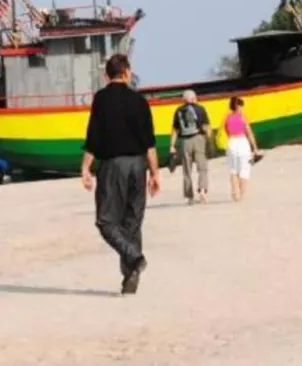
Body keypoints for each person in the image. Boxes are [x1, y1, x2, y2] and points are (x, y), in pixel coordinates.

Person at [80, 52, 160, 294]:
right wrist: (155, 173)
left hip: (114, 165)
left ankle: (135, 259)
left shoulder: (101, 99)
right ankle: (130, 279)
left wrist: (85, 167)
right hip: (139, 165)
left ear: (107, 74)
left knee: (105, 221)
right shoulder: (140, 101)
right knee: (132, 223)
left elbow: (94, 136)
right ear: (127, 71)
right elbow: (149, 143)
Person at [169, 89, 212, 204]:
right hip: (198, 139)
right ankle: (202, 190)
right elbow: (206, 126)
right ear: (193, 98)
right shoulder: (200, 109)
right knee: (202, 167)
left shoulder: (178, 110)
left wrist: (172, 145)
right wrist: (209, 140)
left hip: (184, 141)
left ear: (184, 99)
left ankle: (190, 197)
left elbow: (175, 130)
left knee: (187, 170)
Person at [223, 96, 260, 202]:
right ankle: (242, 194)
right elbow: (249, 133)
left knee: (233, 170)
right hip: (242, 142)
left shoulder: (227, 118)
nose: (242, 108)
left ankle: (235, 193)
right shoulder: (243, 117)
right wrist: (255, 147)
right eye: (241, 106)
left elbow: (227, 132)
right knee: (245, 169)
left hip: (231, 143)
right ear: (238, 106)